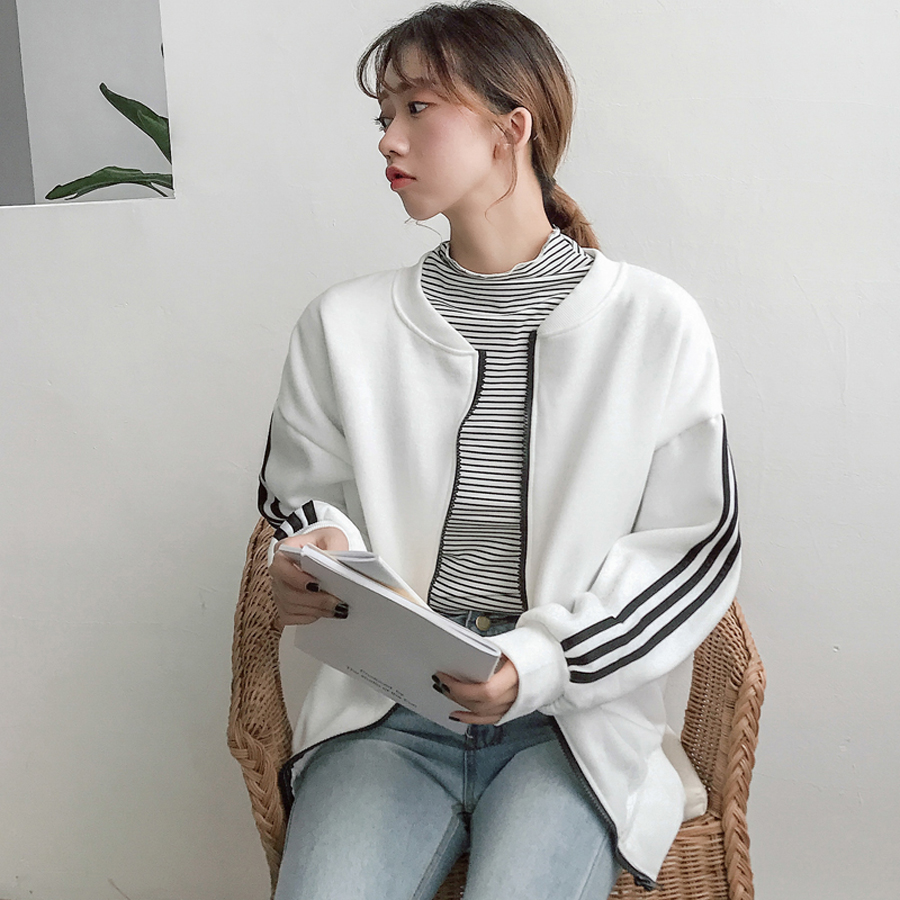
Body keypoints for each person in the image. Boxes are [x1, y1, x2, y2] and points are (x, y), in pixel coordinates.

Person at [257, 2, 741, 898]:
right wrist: (314, 556)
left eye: (416, 107)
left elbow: (691, 549)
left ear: (510, 129)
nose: (388, 139)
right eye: (383, 115)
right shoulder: (344, 326)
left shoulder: (653, 324)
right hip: (389, 713)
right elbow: (304, 497)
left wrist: (538, 665)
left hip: (570, 725)